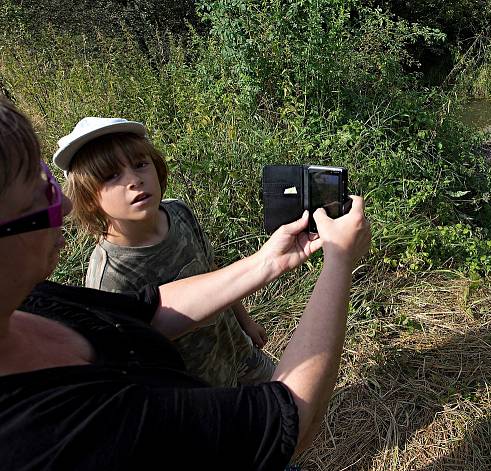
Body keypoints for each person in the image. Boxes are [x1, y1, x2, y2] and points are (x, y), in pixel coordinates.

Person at [0, 98, 371, 468]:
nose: (62, 208)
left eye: (47, 182)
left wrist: (266, 263)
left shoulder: (37, 303)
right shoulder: (47, 429)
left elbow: (153, 310)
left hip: (235, 353)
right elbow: (287, 427)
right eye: (39, 197)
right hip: (202, 390)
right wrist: (339, 263)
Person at [55, 116, 274, 387]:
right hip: (203, 390)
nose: (134, 180)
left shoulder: (178, 212)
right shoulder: (110, 276)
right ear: (89, 200)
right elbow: (134, 359)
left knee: (291, 402)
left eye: (140, 164)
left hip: (240, 354)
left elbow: (213, 271)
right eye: (111, 175)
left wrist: (246, 323)